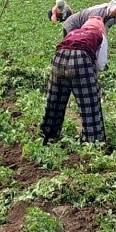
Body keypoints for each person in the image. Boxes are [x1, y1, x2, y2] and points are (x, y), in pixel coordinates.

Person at [40, 16, 109, 144]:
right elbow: (101, 63)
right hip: (80, 59)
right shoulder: (99, 35)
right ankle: (92, 141)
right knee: (89, 103)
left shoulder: (73, 32)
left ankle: (48, 135)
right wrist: (92, 76)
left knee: (55, 100)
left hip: (58, 58)